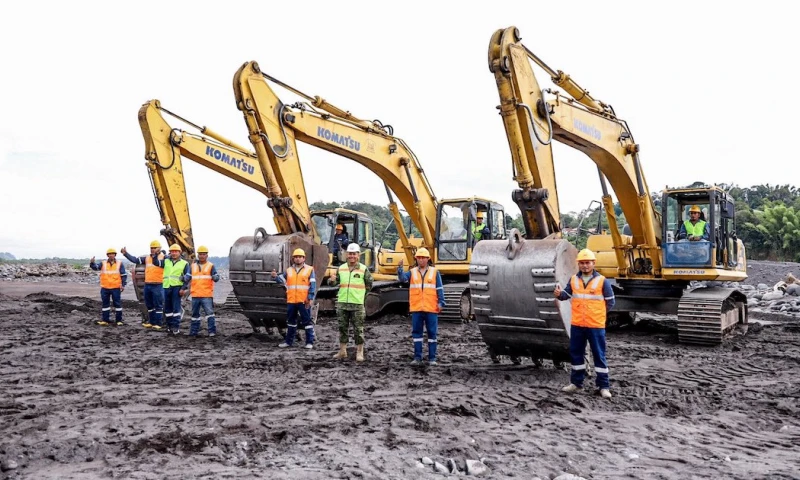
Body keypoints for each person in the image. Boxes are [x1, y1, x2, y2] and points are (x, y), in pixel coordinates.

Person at [554, 248, 616, 399]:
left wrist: (597, 314)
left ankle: (603, 386)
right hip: (577, 325)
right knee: (576, 354)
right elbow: (566, 295)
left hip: (595, 326)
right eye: (582, 263)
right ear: (578, 264)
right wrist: (558, 294)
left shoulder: (602, 281)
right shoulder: (574, 279)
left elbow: (610, 303)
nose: (585, 266)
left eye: (587, 263)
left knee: (599, 355)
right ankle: (576, 383)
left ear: (593, 263)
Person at [398, 247, 446, 366]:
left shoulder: (435, 272)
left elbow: (439, 288)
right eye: (419, 258)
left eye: (423, 258)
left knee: (432, 333)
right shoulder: (413, 272)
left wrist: (441, 302)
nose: (421, 260)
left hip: (431, 308)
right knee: (417, 333)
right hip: (417, 308)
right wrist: (399, 270)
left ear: (428, 259)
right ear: (416, 259)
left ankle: (432, 358)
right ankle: (417, 357)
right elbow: (403, 279)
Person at [328, 243, 373, 362]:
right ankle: (342, 351)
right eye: (350, 254)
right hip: (342, 303)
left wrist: (361, 297)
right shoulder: (341, 268)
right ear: (347, 255)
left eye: (354, 254)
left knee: (358, 329)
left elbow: (369, 285)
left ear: (358, 255)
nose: (352, 256)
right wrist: (331, 281)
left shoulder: (363, 269)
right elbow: (334, 283)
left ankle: (359, 352)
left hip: (357, 304)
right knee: (342, 328)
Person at [272, 248, 317, 349]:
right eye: (296, 257)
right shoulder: (289, 270)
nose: (297, 259)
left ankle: (309, 342)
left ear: (304, 258)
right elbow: (282, 281)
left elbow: (313, 284)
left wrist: (309, 298)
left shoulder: (309, 270)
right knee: (291, 322)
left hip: (303, 300)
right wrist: (275, 277)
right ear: (293, 258)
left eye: (300, 257)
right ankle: (289, 342)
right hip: (292, 300)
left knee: (307, 322)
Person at [121, 241, 165, 328]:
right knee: (149, 304)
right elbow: (135, 260)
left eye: (154, 248)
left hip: (158, 284)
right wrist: (126, 254)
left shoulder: (164, 258)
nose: (152, 250)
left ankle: (159, 323)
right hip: (148, 284)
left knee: (158, 305)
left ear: (159, 248)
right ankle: (151, 322)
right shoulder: (147, 258)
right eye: (151, 248)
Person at [186, 246, 220, 337]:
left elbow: (216, 276)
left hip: (206, 294)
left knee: (209, 314)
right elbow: (187, 277)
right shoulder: (192, 266)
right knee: (194, 315)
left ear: (207, 255)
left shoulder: (210, 266)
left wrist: (215, 277)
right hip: (195, 294)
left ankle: (212, 332)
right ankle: (193, 332)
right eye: (200, 254)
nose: (201, 256)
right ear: (198, 255)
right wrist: (182, 279)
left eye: (203, 254)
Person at [89, 248, 128, 326]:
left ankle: (119, 320)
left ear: (115, 255)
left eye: (112, 254)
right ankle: (105, 320)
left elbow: (123, 275)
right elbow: (96, 267)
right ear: (107, 255)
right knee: (105, 304)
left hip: (116, 287)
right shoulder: (103, 263)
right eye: (109, 254)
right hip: (105, 287)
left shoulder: (120, 263)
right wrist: (92, 263)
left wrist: (123, 285)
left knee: (117, 304)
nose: (111, 255)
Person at [162, 244, 191, 334]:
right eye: (172, 251)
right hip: (167, 287)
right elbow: (156, 263)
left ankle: (175, 327)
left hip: (177, 288)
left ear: (179, 252)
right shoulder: (166, 261)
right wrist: (157, 253)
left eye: (176, 251)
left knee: (176, 308)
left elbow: (187, 277)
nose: (174, 253)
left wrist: (183, 288)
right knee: (167, 309)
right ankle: (169, 326)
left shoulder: (184, 263)